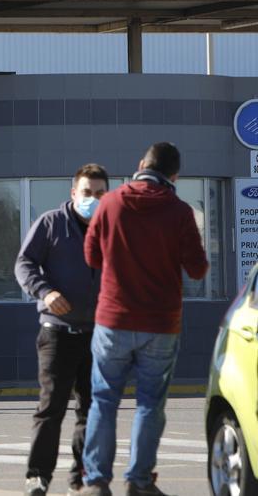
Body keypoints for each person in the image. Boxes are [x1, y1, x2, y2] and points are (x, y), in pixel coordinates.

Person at [77, 143, 208, 496]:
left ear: (141, 165)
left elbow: (90, 256)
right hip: (160, 324)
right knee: (150, 403)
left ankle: (95, 483)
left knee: (103, 400)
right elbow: (198, 269)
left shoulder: (111, 202)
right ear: (174, 176)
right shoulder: (179, 211)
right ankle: (138, 481)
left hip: (113, 319)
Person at [15, 164, 110, 496]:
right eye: (87, 192)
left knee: (93, 410)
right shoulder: (51, 224)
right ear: (74, 193)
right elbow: (24, 263)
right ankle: (37, 476)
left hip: (99, 335)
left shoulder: (112, 228)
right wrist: (45, 291)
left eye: (99, 193)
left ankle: (81, 478)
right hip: (57, 333)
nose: (93, 199)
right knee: (51, 407)